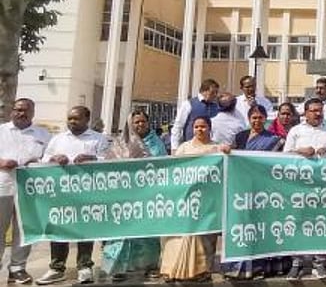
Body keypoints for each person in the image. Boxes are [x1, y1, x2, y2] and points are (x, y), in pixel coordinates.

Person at [36, 106, 107, 285]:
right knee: (59, 227)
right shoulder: (58, 139)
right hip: (61, 194)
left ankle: (84, 267)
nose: (72, 122)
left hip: (88, 193)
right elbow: (44, 159)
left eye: (76, 119)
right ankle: (56, 268)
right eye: (70, 119)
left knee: (84, 229)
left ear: (87, 119)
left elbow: (109, 160)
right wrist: (53, 159)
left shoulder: (99, 139)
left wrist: (93, 159)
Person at [159, 117, 230, 282]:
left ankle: (201, 270)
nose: (200, 130)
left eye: (203, 126)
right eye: (196, 127)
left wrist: (227, 152)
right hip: (185, 199)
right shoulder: (184, 148)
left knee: (204, 234)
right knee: (179, 234)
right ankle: (172, 270)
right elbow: (174, 172)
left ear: (209, 128)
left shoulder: (217, 148)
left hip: (207, 200)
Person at [101, 110, 167, 281]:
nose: (139, 125)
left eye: (143, 121)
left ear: (148, 123)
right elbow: (110, 167)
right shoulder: (120, 143)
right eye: (136, 122)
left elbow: (162, 166)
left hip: (147, 195)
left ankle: (150, 266)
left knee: (148, 232)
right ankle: (118, 268)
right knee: (121, 232)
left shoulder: (156, 143)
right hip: (124, 196)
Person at [224, 104, 285, 279]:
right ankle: (237, 267)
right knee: (241, 225)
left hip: (262, 188)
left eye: (260, 118)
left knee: (259, 226)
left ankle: (258, 267)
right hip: (241, 188)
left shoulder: (274, 139)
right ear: (249, 119)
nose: (257, 121)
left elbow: (278, 163)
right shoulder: (240, 137)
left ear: (265, 119)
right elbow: (231, 155)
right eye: (254, 118)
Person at [282, 98, 326, 280]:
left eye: (320, 110)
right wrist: (300, 152)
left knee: (321, 223)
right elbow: (283, 157)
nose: (317, 113)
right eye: (313, 110)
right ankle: (296, 263)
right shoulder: (296, 131)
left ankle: (319, 263)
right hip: (299, 187)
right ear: (305, 113)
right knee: (298, 222)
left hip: (323, 187)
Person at [0, 98, 49, 285]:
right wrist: (2, 162)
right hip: (3, 186)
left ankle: (17, 269)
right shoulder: (2, 130)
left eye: (26, 110)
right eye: (18, 109)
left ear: (33, 113)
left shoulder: (42, 134)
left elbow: (50, 156)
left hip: (30, 190)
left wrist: (39, 163)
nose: (22, 113)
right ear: (12, 111)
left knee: (24, 230)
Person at [170, 78, 219, 151]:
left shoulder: (216, 107)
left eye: (216, 92)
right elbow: (178, 126)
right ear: (203, 91)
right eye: (212, 92)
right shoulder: (188, 104)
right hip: (191, 148)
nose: (215, 95)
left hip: (210, 147)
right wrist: (174, 148)